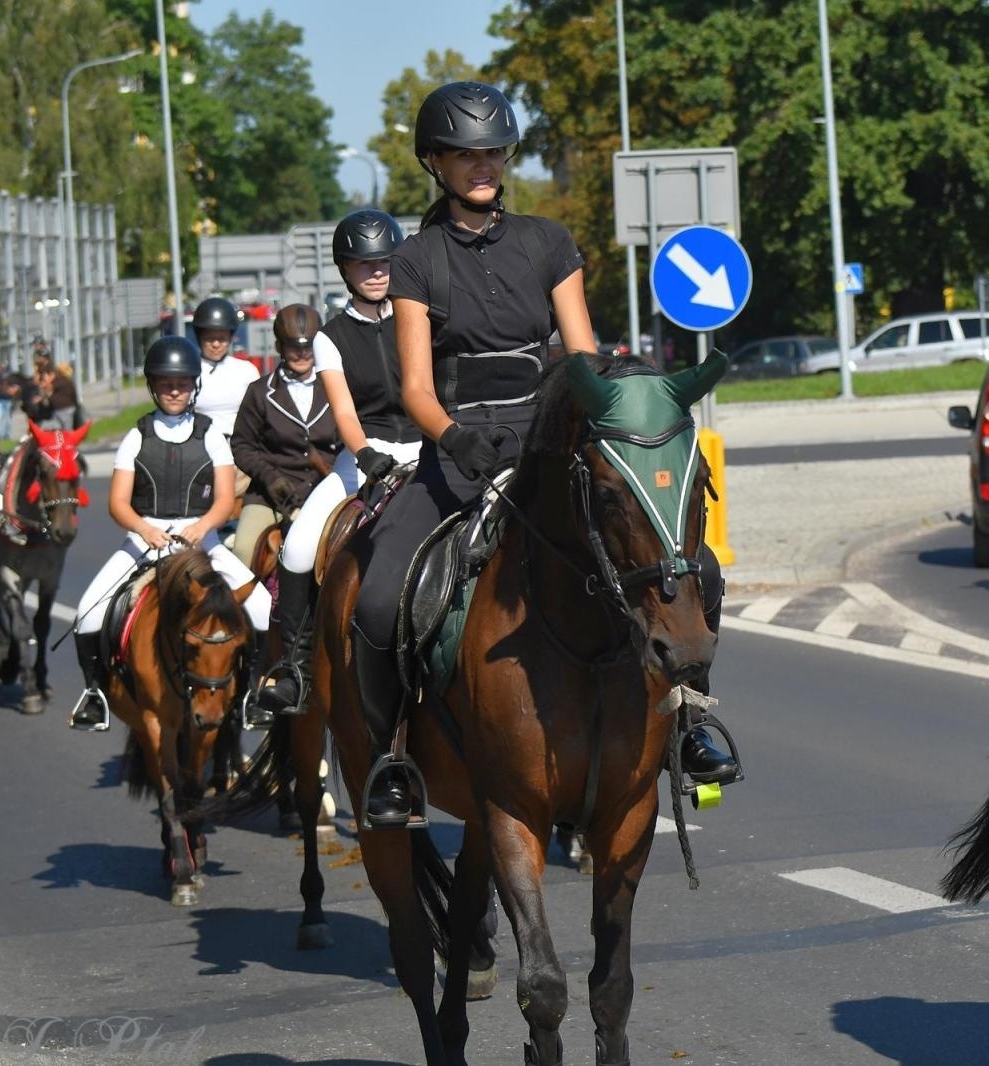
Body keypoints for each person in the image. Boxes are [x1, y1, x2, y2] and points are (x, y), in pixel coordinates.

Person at [350, 81, 739, 828]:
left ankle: (689, 725)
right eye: (467, 155)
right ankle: (392, 757)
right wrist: (458, 439)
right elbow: (416, 389)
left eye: (494, 151)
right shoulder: (416, 260)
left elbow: (583, 360)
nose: (483, 166)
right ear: (436, 162)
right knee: (377, 594)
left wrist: (597, 420)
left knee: (690, 569)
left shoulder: (550, 243)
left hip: (548, 440)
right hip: (457, 448)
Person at [255, 208, 422, 721]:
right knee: (299, 549)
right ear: (345, 269)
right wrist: (366, 455)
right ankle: (297, 670)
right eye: (362, 264)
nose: (376, 272)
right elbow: (344, 410)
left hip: (426, 447)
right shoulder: (330, 337)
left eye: (384, 262)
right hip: (365, 453)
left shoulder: (421, 315)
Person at [68, 336, 272, 731]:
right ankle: (94, 693)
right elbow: (118, 503)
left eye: (181, 383)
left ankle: (252, 693)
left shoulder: (211, 435)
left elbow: (226, 496)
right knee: (86, 613)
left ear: (194, 384)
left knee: (262, 606)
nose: (174, 390)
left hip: (202, 540)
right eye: (165, 383)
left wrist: (201, 527)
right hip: (147, 540)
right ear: (153, 386)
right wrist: (145, 529)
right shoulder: (136, 437)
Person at [228, 304, 339, 573]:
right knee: (243, 551)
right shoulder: (259, 392)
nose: (301, 354)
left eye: (308, 346)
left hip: (325, 489)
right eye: (293, 346)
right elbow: (242, 445)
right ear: (279, 346)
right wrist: (269, 476)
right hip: (271, 494)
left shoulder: (336, 387)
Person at [188, 296, 261, 438]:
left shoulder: (246, 371)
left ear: (230, 337)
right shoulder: (190, 371)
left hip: (240, 444)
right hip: (200, 445)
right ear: (199, 337)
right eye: (209, 339)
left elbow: (259, 413)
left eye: (222, 339)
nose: (216, 344)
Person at [22, 359, 85, 430]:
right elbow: (48, 392)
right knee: (58, 429)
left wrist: (39, 384)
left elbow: (48, 387)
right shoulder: (59, 381)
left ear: (51, 374)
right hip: (59, 410)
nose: (43, 378)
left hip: (65, 410)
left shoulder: (60, 380)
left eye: (44, 376)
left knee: (65, 431)